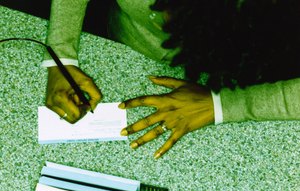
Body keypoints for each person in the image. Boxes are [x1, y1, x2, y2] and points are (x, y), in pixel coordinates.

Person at [43, 0, 300, 159]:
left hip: (236, 80)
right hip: (123, 42)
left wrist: (222, 105)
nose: (162, 22)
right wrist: (61, 57)